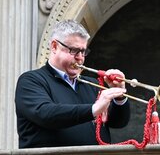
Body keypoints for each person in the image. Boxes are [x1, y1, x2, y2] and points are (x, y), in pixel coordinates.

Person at [15, 20, 130, 148]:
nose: (80, 58)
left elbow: (118, 123)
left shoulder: (93, 84)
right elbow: (46, 114)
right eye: (74, 50)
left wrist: (120, 97)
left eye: (83, 51)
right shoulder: (31, 81)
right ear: (54, 46)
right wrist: (93, 109)